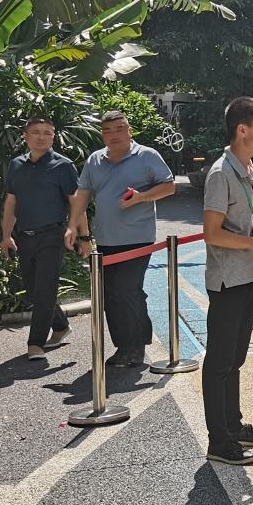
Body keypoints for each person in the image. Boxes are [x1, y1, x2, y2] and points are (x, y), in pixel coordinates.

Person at [200, 97, 253, 466]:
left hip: (245, 275)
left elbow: (238, 225)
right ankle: (219, 442)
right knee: (220, 362)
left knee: (234, 359)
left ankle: (232, 426)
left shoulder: (247, 168)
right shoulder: (221, 173)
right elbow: (212, 233)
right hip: (226, 281)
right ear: (242, 129)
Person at [70, 111, 176, 367]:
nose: (114, 135)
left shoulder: (147, 155)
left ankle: (135, 346)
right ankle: (125, 345)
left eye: (119, 129)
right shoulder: (95, 160)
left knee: (126, 288)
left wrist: (141, 197)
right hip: (106, 238)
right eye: (107, 130)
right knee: (111, 294)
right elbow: (82, 194)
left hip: (138, 238)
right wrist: (73, 227)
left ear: (129, 130)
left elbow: (169, 186)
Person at [0, 116, 79, 361]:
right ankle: (61, 325)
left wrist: (78, 232)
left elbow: (76, 202)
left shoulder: (63, 166)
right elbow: (11, 201)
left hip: (52, 235)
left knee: (45, 289)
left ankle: (35, 343)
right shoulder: (16, 165)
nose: (42, 137)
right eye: (36, 132)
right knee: (34, 291)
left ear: (53, 137)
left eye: (47, 133)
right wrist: (6, 235)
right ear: (25, 136)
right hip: (25, 236)